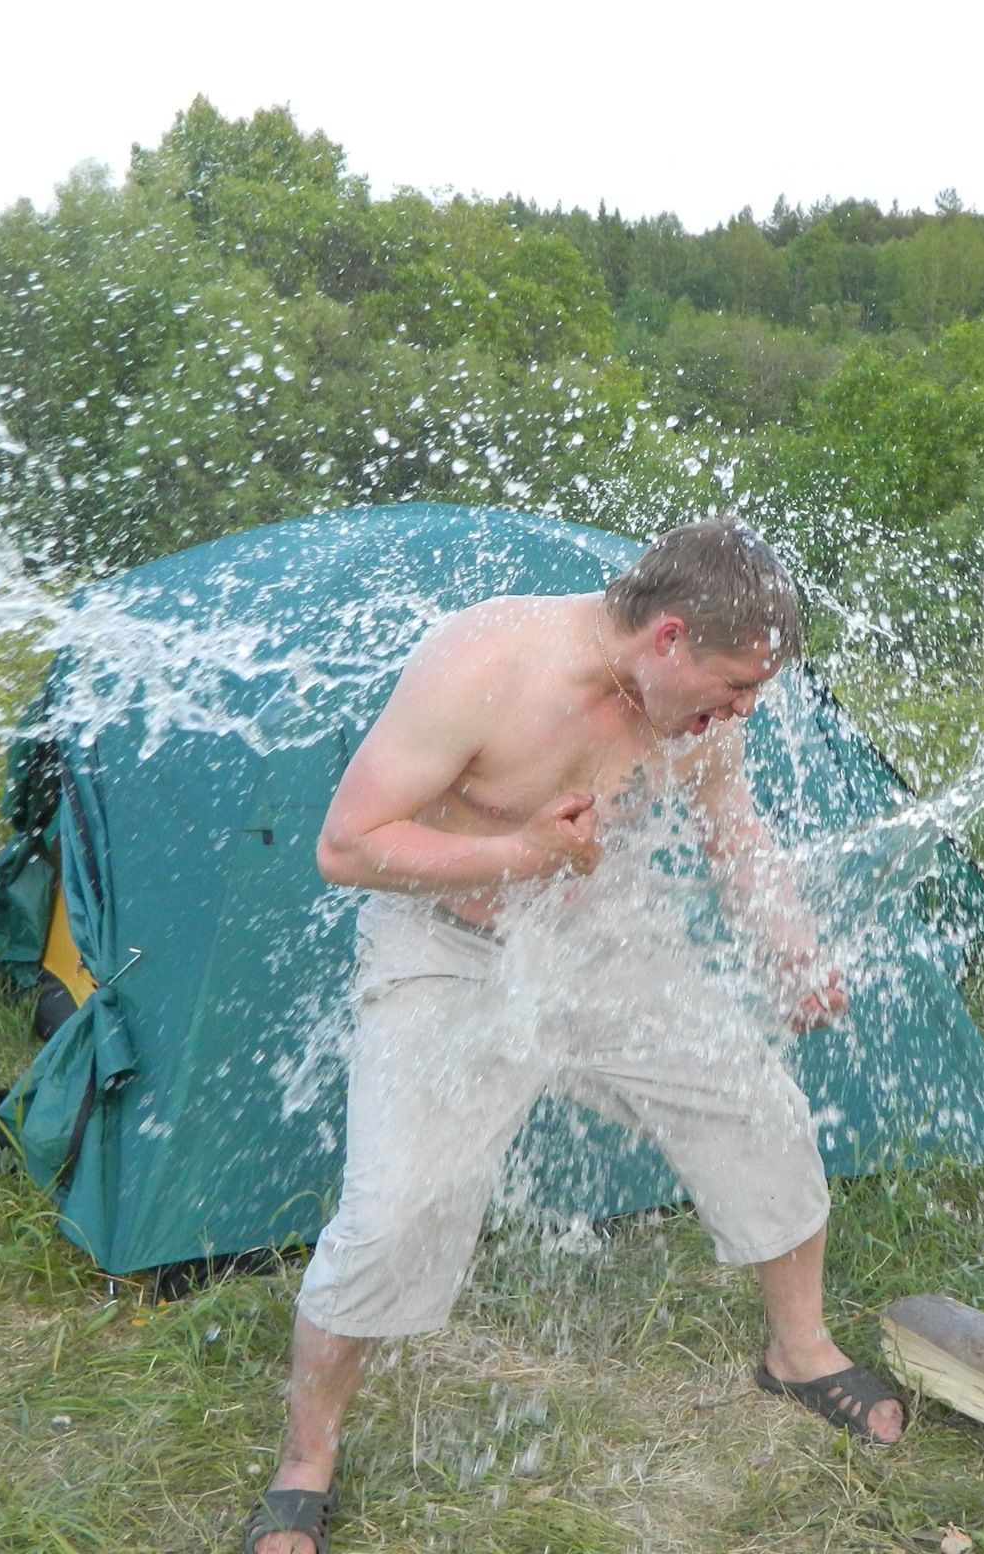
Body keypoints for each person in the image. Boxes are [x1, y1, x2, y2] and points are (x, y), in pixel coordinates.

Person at [240, 516, 907, 1554]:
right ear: (669, 637)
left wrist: (788, 944)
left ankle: (800, 1352)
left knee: (758, 1107)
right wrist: (520, 851)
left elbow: (735, 831)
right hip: (443, 946)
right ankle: (304, 1461)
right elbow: (347, 846)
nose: (743, 709)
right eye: (735, 686)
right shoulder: (486, 664)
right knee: (394, 1210)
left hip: (600, 934)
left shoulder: (696, 708)